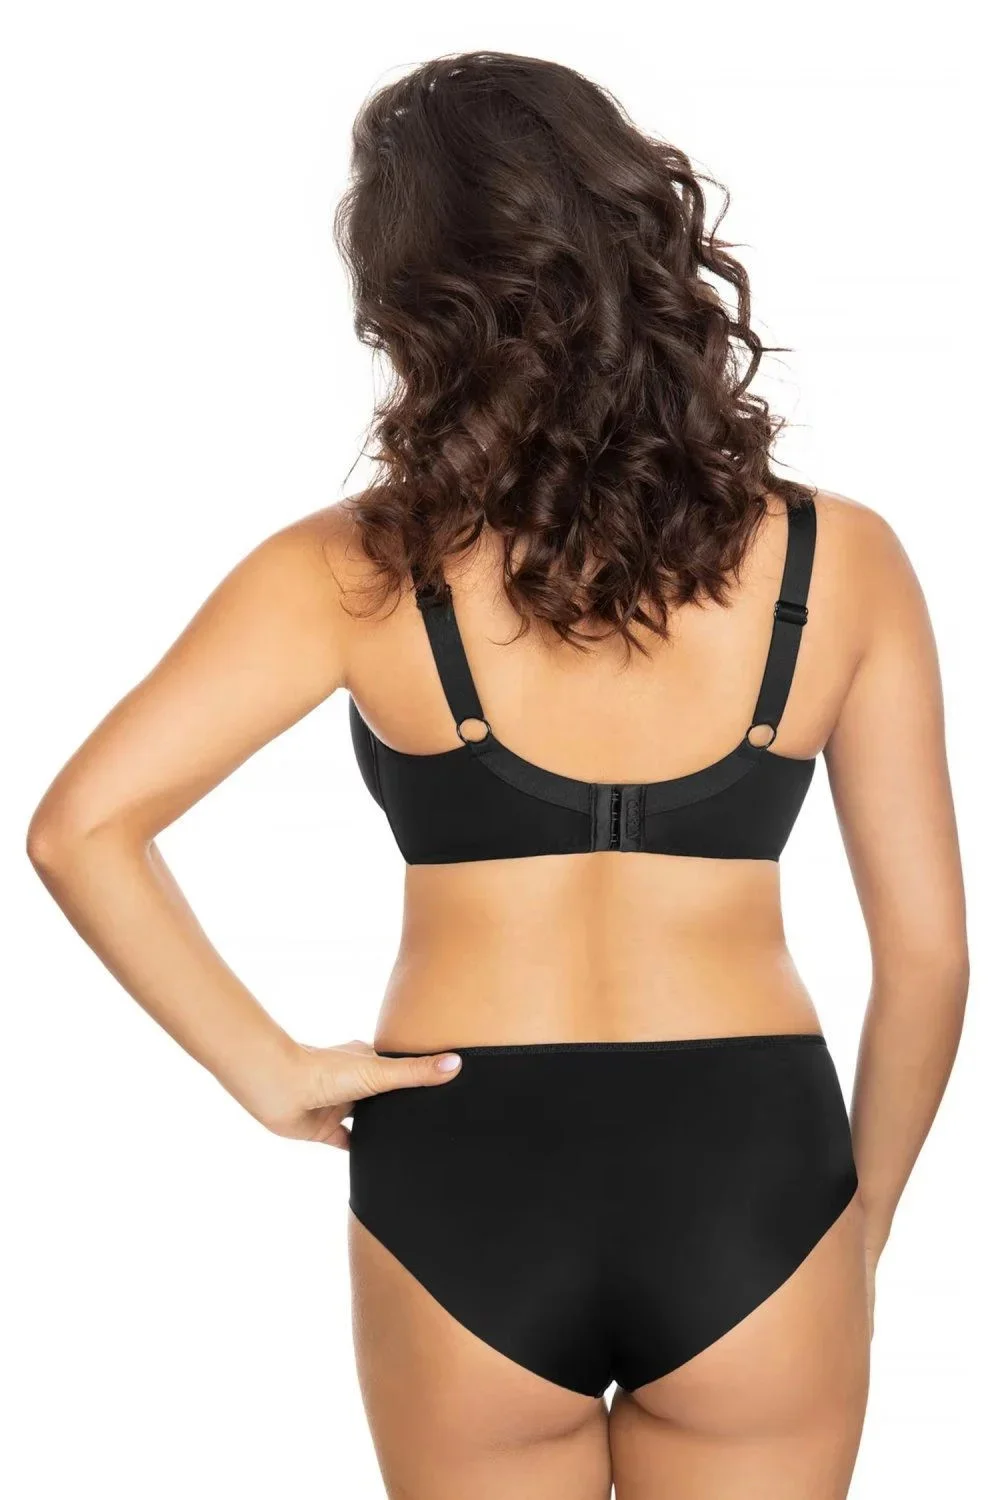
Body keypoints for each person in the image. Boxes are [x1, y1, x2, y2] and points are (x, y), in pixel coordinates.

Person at [27, 51, 967, 1500]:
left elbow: (82, 828)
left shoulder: (348, 567)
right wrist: (862, 1224)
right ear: (637, 241)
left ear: (409, 298)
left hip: (462, 1162)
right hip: (752, 1172)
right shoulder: (841, 561)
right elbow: (931, 957)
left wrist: (266, 1070)